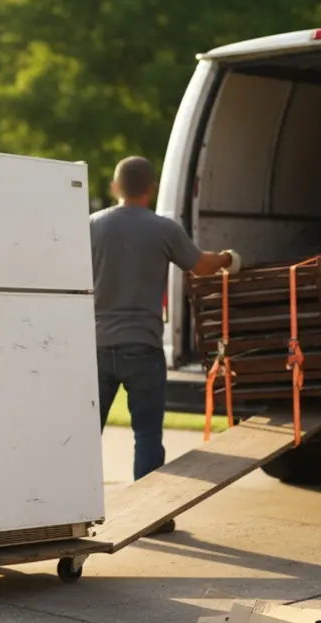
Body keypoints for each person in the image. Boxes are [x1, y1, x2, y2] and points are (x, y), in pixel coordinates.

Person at [90, 155, 240, 488]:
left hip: (97, 346)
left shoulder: (91, 225)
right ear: (151, 189)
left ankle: (70, 510)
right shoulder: (162, 228)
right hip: (142, 345)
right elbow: (200, 266)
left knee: (86, 434)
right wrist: (229, 258)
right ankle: (148, 511)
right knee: (146, 433)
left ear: (115, 187)